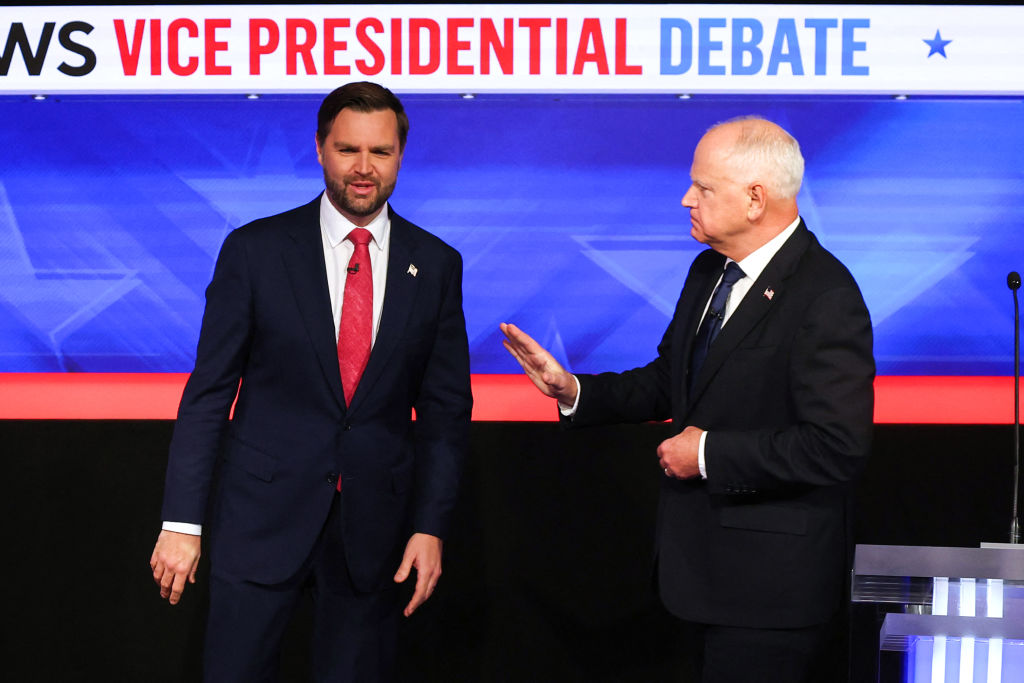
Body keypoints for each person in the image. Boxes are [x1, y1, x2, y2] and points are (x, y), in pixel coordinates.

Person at [501, 117, 874, 682]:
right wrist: (575, 390)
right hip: (696, 579)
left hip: (769, 594)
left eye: (703, 188)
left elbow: (836, 446)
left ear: (755, 199)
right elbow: (671, 380)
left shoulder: (826, 295)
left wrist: (707, 456)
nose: (686, 199)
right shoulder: (708, 271)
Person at [149, 81, 472, 682]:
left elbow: (446, 412)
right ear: (320, 149)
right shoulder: (255, 251)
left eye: (381, 152)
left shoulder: (436, 264)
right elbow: (209, 394)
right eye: (348, 150)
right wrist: (181, 522)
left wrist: (430, 526)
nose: (364, 168)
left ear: (401, 155)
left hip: (372, 537)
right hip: (258, 523)